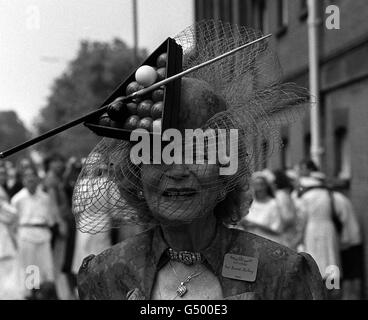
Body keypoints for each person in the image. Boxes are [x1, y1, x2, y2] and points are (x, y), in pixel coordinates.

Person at [73, 21, 325, 300]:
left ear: (226, 173)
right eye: (159, 152)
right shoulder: (107, 275)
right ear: (136, 176)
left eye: (197, 152)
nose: (178, 169)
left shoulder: (281, 273)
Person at [11, 166, 58, 299]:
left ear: (37, 179)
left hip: (43, 234)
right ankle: (32, 294)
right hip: (26, 234)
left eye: (33, 176)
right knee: (31, 268)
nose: (30, 179)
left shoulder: (45, 197)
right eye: (27, 177)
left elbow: (50, 218)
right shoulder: (17, 199)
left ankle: (47, 292)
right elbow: (13, 222)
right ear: (23, 180)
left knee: (46, 267)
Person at [240, 171, 284, 244]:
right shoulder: (249, 204)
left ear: (266, 186)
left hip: (268, 243)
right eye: (256, 184)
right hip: (250, 243)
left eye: (261, 184)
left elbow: (277, 230)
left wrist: (257, 226)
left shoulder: (273, 204)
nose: (259, 188)